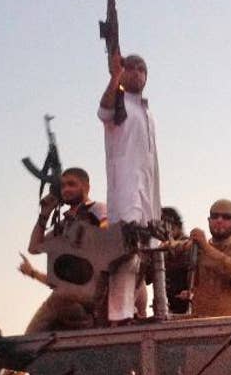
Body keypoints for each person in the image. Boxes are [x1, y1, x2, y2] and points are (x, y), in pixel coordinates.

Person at [98, 52, 162, 324]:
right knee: (126, 253)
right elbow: (103, 110)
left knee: (150, 253)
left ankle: (145, 311)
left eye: (142, 68)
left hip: (149, 191)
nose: (136, 72)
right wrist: (114, 77)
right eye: (130, 67)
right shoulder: (119, 102)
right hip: (126, 190)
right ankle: (120, 315)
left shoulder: (146, 111)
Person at [21, 167, 107, 333]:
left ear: (86, 187)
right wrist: (44, 215)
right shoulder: (64, 224)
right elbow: (34, 248)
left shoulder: (96, 209)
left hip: (92, 290)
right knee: (34, 337)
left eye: (72, 184)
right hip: (69, 295)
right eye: (63, 186)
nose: (66, 189)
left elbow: (106, 230)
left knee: (32, 336)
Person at [170, 199, 231, 318]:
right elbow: (172, 248)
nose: (219, 220)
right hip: (202, 327)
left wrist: (206, 247)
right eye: (215, 216)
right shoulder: (199, 247)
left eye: (226, 217)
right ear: (209, 220)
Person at [160, 207, 192, 315]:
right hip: (169, 305)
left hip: (188, 304)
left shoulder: (189, 245)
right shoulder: (162, 247)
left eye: (167, 225)